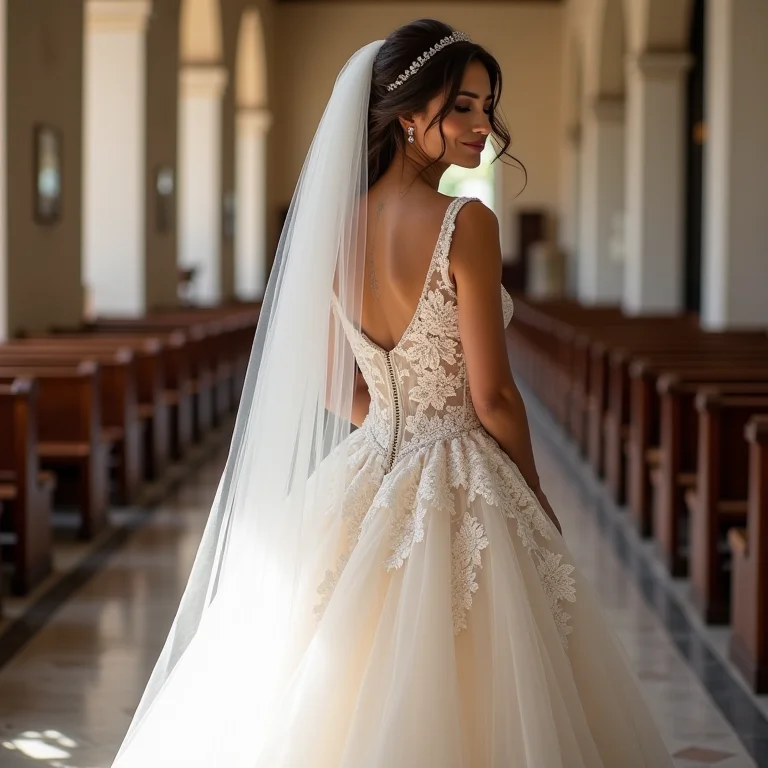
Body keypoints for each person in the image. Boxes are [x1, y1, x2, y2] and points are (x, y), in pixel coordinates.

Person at [112, 19, 673, 767]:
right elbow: (494, 396)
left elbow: (325, 377)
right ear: (409, 115)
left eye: (487, 107)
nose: (483, 125)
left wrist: (390, 421)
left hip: (367, 463)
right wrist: (534, 494)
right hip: (462, 467)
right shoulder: (466, 222)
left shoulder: (334, 227)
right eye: (462, 107)